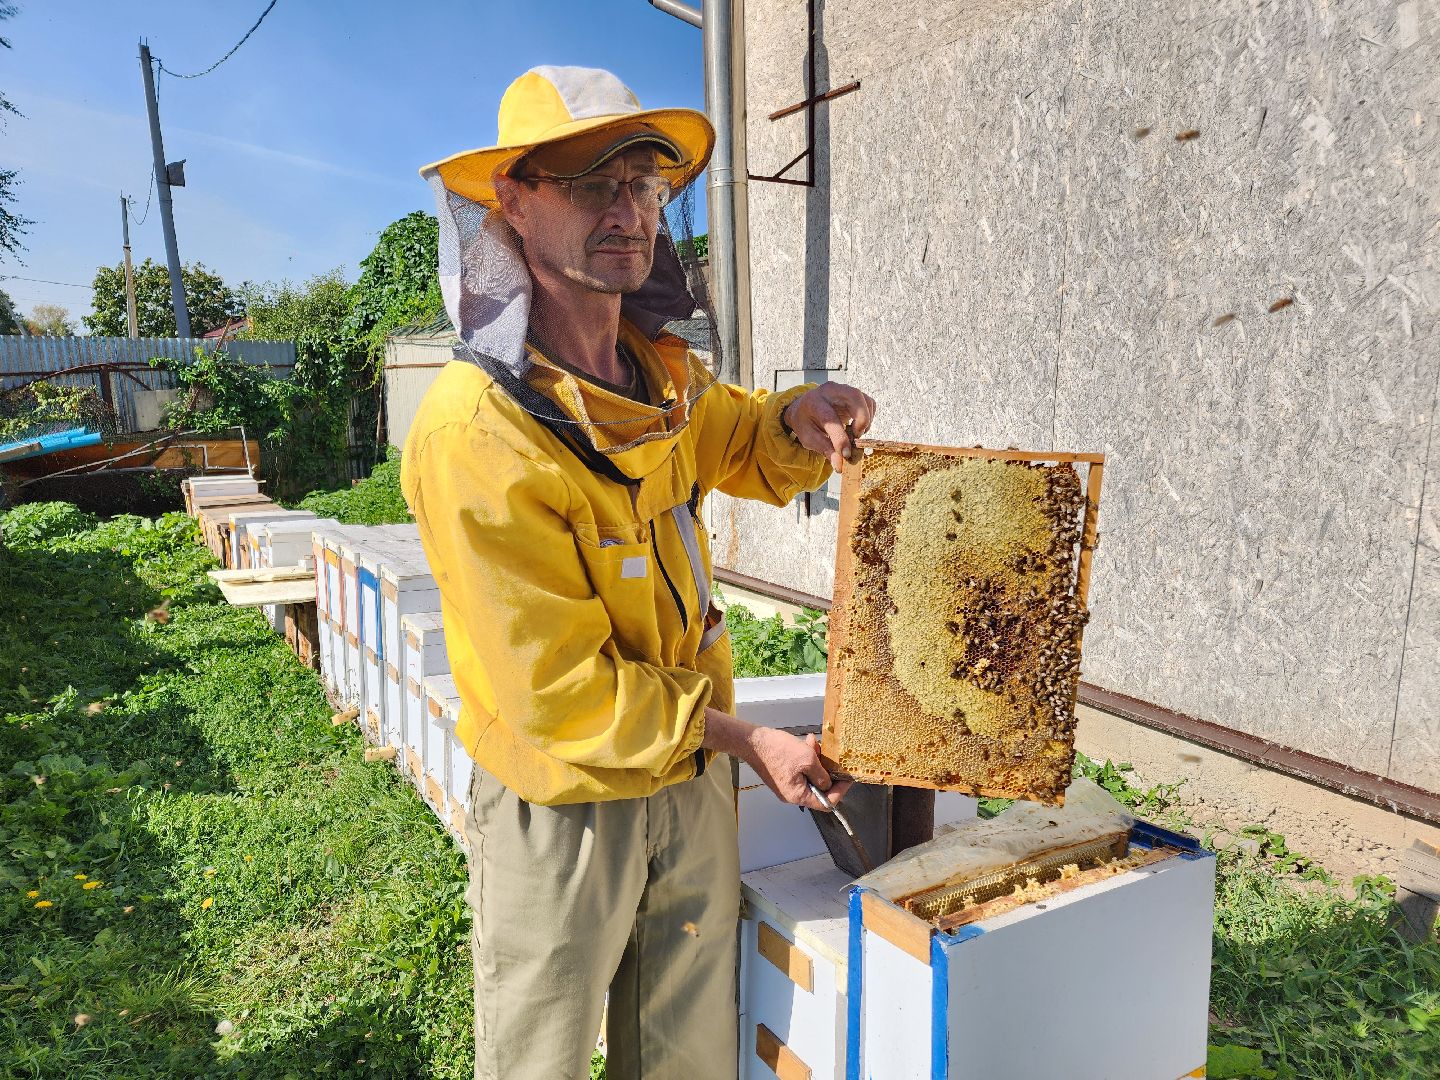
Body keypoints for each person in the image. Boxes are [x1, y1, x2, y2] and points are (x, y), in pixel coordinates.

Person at [402, 65, 876, 1080]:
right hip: (563, 799)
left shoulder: (663, 379)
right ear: (512, 203)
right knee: (543, 1055)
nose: (629, 212)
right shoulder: (476, 431)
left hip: (691, 773)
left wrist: (797, 419)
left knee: (682, 1054)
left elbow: (740, 437)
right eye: (591, 183)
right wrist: (749, 739)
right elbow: (557, 691)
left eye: (646, 186)